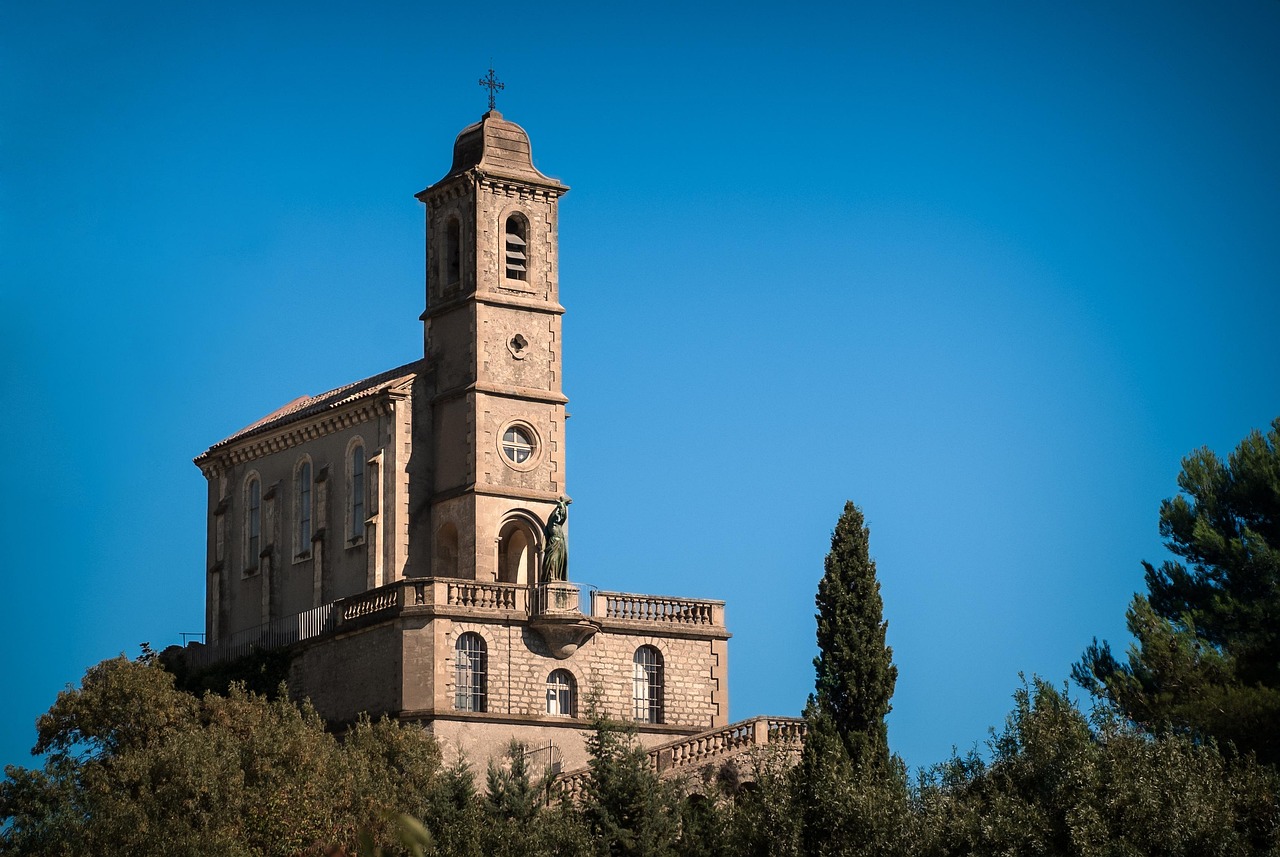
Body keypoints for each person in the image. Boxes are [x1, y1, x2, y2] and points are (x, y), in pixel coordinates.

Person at [541, 496, 570, 582]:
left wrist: (563, 505)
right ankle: (551, 576)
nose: (559, 515)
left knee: (560, 562)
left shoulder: (558, 525)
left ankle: (557, 577)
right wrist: (561, 505)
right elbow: (559, 516)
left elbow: (564, 517)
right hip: (554, 542)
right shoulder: (552, 523)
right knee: (552, 560)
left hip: (560, 543)